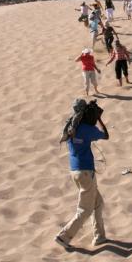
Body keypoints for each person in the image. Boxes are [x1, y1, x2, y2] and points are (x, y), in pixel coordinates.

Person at [55, 100, 109, 249]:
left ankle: (100, 236)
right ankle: (64, 237)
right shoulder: (85, 128)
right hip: (86, 172)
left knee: (97, 202)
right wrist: (98, 118)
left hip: (75, 171)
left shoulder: (70, 127)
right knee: (85, 209)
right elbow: (105, 135)